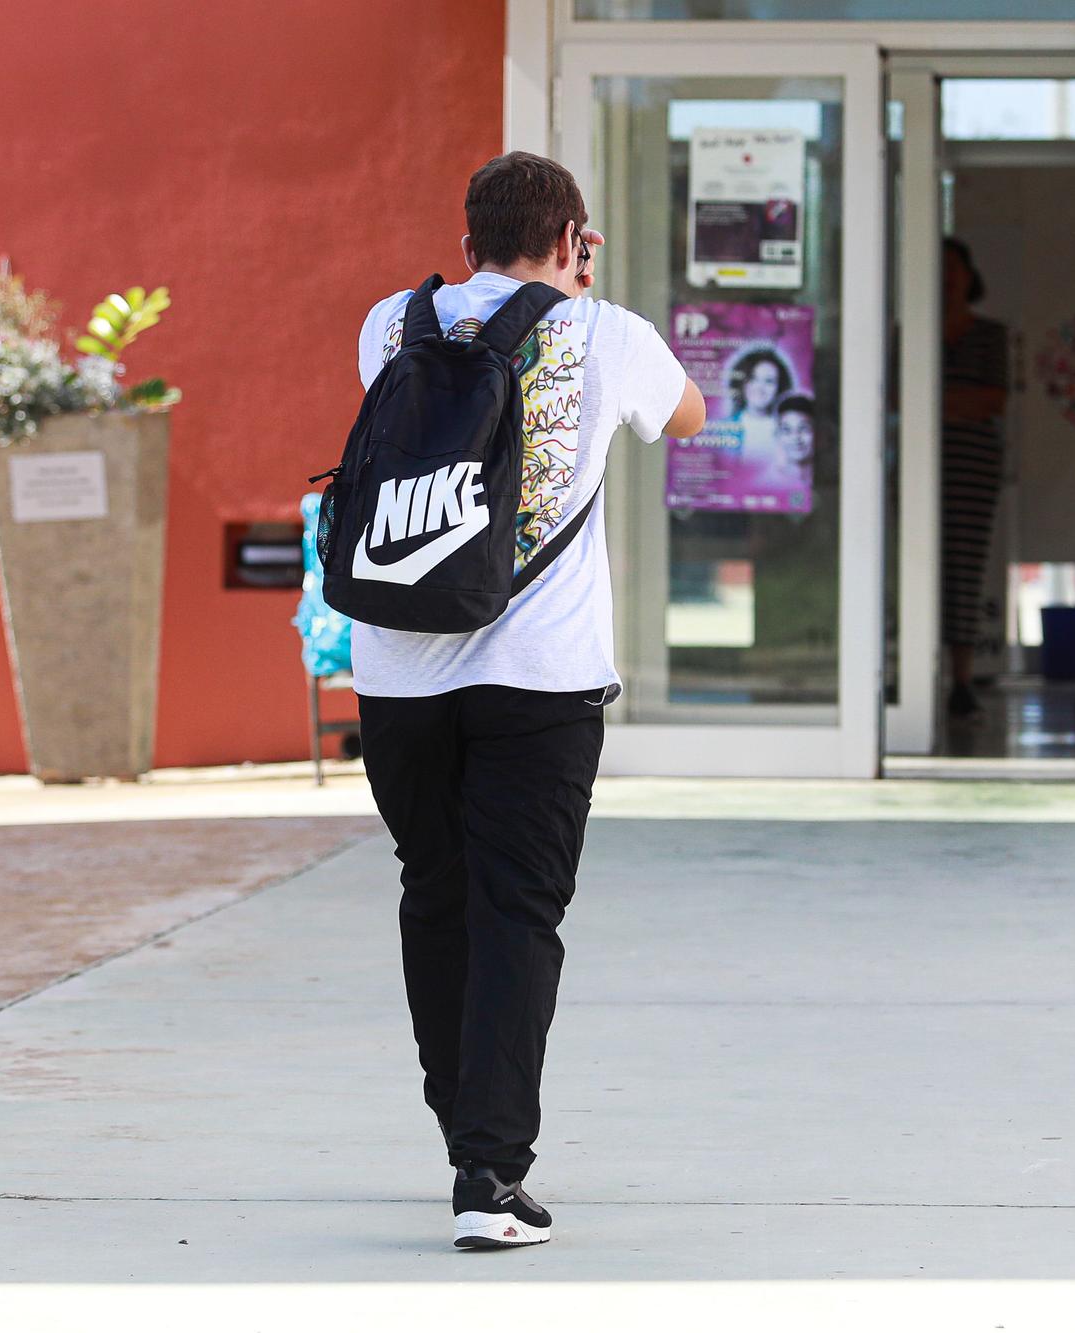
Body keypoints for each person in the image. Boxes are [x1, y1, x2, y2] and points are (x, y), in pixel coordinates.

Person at [353, 151, 707, 1250]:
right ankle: (487, 1172)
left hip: (397, 670)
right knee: (518, 914)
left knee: (436, 893)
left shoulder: (391, 323)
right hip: (539, 682)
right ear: (574, 241)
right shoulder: (609, 335)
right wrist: (579, 297)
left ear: (465, 247)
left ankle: (462, 1123)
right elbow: (686, 418)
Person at [939, 237, 1010, 719]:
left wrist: (938, 402)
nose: (945, 279)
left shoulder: (990, 334)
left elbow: (992, 399)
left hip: (973, 466)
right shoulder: (912, 332)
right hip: (922, 464)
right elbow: (900, 397)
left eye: (953, 269)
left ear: (969, 275)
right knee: (919, 566)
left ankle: (960, 680)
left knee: (965, 566)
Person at [726, 344, 795, 469]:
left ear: (780, 387)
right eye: (753, 378)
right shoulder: (724, 429)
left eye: (769, 381)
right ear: (741, 383)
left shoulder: (790, 431)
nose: (760, 388)